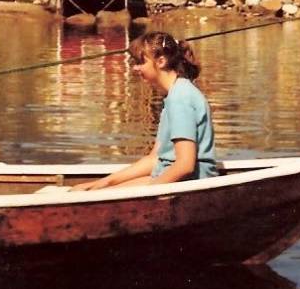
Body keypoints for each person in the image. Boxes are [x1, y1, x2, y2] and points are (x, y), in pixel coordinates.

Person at [73, 31, 216, 191]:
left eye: (141, 62)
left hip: (189, 185)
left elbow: (185, 165)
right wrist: (105, 182)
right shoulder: (174, 94)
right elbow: (155, 158)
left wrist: (147, 192)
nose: (135, 68)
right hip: (169, 178)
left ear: (161, 61)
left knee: (98, 196)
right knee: (98, 190)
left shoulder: (181, 98)